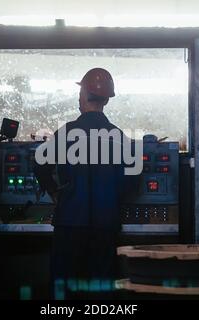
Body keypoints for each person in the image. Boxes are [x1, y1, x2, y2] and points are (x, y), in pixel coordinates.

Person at [34, 68, 136, 299]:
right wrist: (113, 198)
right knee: (102, 288)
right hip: (105, 225)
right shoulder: (118, 136)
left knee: (65, 290)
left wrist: (54, 193)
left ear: (84, 95)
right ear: (106, 100)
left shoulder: (67, 133)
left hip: (70, 223)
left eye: (80, 91)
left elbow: (40, 166)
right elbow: (132, 180)